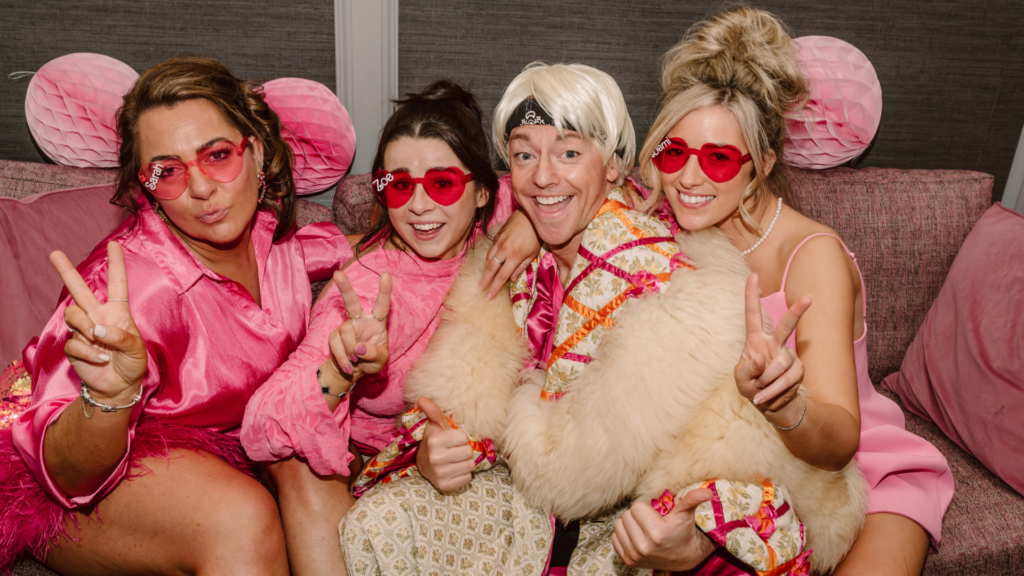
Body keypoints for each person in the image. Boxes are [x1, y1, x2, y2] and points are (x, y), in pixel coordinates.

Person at [614, 7, 953, 574]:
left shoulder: (812, 257)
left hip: (863, 475)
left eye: (719, 159)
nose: (689, 179)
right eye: (674, 153)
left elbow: (841, 442)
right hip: (748, 475)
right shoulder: (662, 224)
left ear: (763, 164)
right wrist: (525, 226)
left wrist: (784, 402)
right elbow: (565, 187)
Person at [0, 56, 355, 574]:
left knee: (310, 458)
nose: (202, 188)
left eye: (217, 155)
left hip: (216, 455)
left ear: (256, 151)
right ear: (146, 185)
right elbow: (66, 472)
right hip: (73, 460)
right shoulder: (129, 288)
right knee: (240, 516)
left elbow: (341, 249)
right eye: (167, 171)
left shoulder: (271, 238)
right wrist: (109, 397)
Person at [240, 80, 514, 575]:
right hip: (376, 477)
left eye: (442, 184)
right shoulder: (370, 287)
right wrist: (339, 371)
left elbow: (576, 187)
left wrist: (529, 228)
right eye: (400, 185)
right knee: (296, 465)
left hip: (477, 470)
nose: (419, 205)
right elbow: (261, 427)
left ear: (481, 192)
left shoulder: (500, 234)